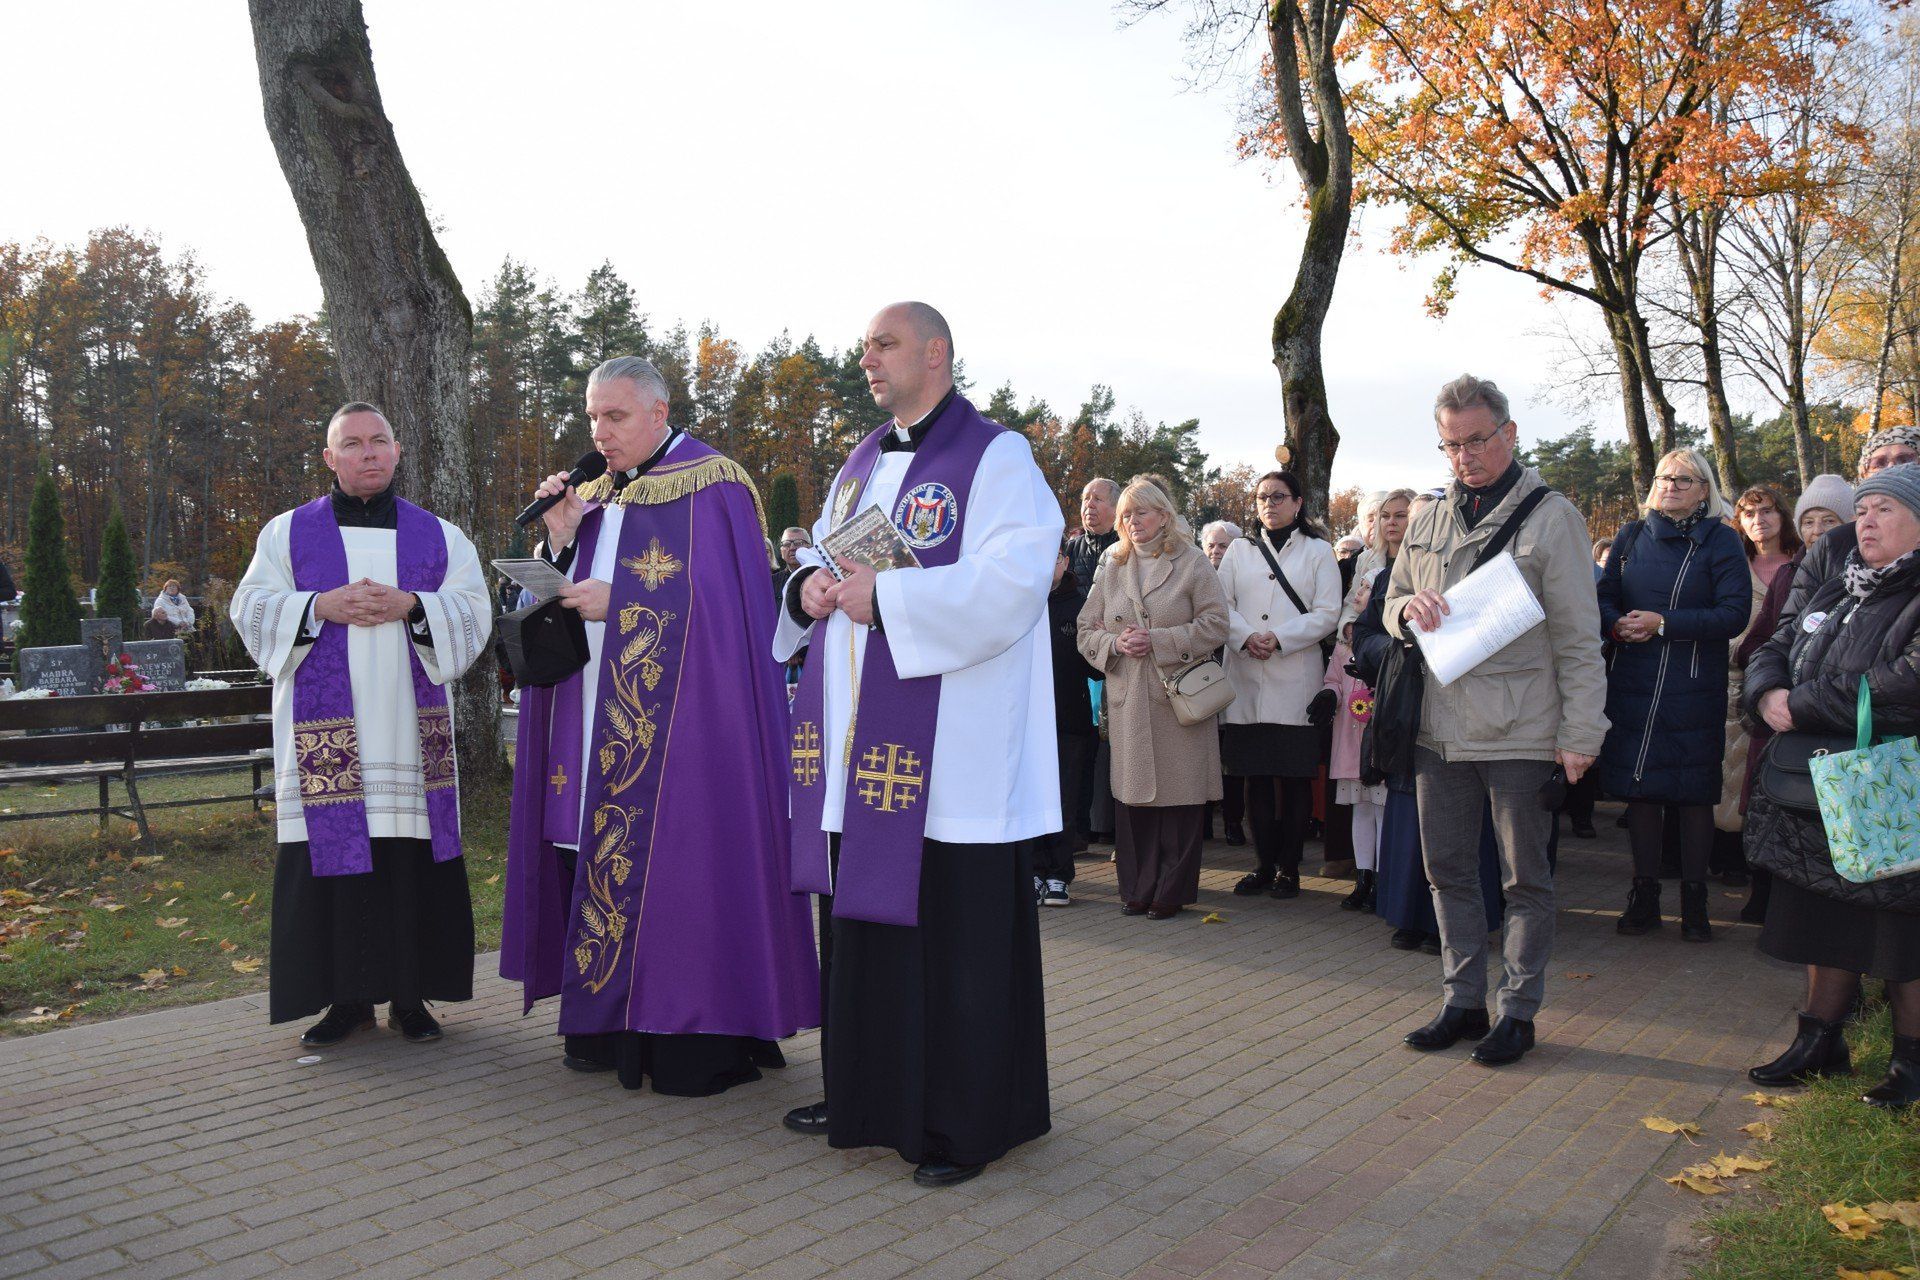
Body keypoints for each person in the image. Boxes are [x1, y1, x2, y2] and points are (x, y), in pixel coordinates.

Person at [773, 301, 1057, 1187]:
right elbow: (823, 561)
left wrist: (889, 601)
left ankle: (962, 1121)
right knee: (861, 932)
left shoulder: (996, 455)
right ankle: (865, 1094)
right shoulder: (860, 461)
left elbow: (1014, 581)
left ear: (935, 353)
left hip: (957, 750)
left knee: (954, 944)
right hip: (863, 746)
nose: (867, 358)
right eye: (866, 346)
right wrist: (811, 591)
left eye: (884, 344)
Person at [500, 356, 818, 1096]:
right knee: (591, 848)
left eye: (614, 416)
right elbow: (580, 584)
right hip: (592, 712)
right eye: (591, 417)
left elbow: (732, 609)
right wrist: (557, 541)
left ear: (658, 410)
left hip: (685, 728)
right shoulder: (596, 493)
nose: (599, 432)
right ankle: (605, 1023)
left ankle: (693, 1030)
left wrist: (629, 601)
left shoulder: (714, 483)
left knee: (687, 868)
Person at [230, 402, 493, 1046]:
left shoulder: (439, 536)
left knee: (406, 860)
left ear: (398, 450)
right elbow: (251, 607)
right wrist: (319, 605)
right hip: (325, 738)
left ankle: (411, 999)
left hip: (408, 728)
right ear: (330, 458)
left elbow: (472, 610)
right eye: (353, 444)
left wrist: (414, 605)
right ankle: (343, 1001)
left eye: (380, 441)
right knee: (335, 863)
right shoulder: (287, 534)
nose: (369, 453)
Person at [1384, 374, 1608, 1067]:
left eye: (1476, 440)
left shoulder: (1553, 518)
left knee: (1523, 880)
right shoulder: (1426, 517)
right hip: (1438, 727)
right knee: (1447, 870)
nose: (1464, 457)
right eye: (1451, 445)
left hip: (1521, 728)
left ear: (1509, 433)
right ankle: (1462, 1001)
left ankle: (1518, 1011)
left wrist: (1581, 734)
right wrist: (1406, 613)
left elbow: (1579, 638)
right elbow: (1389, 602)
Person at [1744, 463, 1920, 1110]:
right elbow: (1777, 640)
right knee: (1823, 918)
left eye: (1883, 511)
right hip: (1821, 791)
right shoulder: (1841, 587)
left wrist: (1806, 701)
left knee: (1898, 932)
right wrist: (1766, 694)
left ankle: (1911, 1063)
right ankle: (1820, 1041)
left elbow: (1906, 681)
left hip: (1892, 795)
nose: (1864, 521)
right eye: (1863, 508)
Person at [1597, 450, 1750, 942]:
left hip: (1692, 684)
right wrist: (1616, 625)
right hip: (1635, 677)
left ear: (1705, 489)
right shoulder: (1631, 536)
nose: (1672, 486)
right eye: (1665, 477)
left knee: (1692, 794)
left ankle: (1694, 902)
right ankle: (1643, 897)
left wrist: (1665, 624)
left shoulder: (1722, 541)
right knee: (1641, 790)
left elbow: (1733, 614)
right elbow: (1603, 597)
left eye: (1685, 479)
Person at [1078, 481, 1229, 918]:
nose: (1132, 522)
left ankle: (1172, 890)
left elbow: (1217, 624)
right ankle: (1137, 887)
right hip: (1129, 698)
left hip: (1177, 698)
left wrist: (1160, 640)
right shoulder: (1112, 565)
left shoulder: (1193, 562)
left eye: (1141, 513)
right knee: (1133, 798)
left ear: (1164, 515)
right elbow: (1086, 630)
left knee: (1179, 799)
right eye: (1126, 515)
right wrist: (1116, 644)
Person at [1733, 474, 1856, 924]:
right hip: (1782, 711)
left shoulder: (1864, 575)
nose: (1819, 530)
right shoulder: (1790, 573)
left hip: (1834, 716)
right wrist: (1768, 683)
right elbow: (1767, 638)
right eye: (1811, 520)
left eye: (1830, 519)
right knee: (1776, 800)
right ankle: (1766, 892)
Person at [1216, 470, 1341, 900]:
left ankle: (1290, 869)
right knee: (1254, 780)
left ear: (1298, 502)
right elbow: (1221, 605)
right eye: (1262, 497)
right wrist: (1247, 636)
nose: (1269, 504)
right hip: (1246, 678)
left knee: (1292, 782)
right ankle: (1262, 865)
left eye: (1278, 496)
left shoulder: (1318, 551)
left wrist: (1281, 638)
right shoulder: (1239, 550)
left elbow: (1329, 612)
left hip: (1294, 681)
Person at [1320, 489, 1414, 913]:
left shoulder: (1422, 563)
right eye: (1384, 516)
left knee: (1390, 799)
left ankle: (1393, 878)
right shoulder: (1367, 563)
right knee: (1359, 796)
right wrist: (1351, 632)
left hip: (1401, 682)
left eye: (1400, 515)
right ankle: (1364, 877)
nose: (1391, 523)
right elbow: (1350, 616)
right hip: (1361, 678)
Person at [1713, 486, 1804, 881]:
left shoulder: (1804, 564)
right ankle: (1730, 857)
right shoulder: (1733, 564)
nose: (1758, 521)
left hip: (1785, 686)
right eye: (1749, 514)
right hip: (1731, 681)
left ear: (1783, 516)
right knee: (1727, 774)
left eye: (1766, 511)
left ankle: (1767, 863)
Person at [1776, 428, 1920, 636]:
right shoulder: (1832, 544)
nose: (1890, 468)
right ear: (1864, 474)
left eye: (1904, 459)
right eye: (1879, 463)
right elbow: (1788, 632)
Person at [1036, 538, 1100, 906]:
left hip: (1069, 720)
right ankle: (1032, 869)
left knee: (1064, 799)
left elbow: (1095, 665)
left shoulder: (1082, 606)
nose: (1045, 567)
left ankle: (1059, 875)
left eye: (1052, 558)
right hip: (1025, 723)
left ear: (1064, 561)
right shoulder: (1018, 604)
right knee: (1030, 797)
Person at [1067, 478, 1121, 845]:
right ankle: (1080, 826)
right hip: (1076, 661)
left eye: (1098, 499)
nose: (1090, 505)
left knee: (1115, 746)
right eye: (1085, 498)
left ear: (1117, 508)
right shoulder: (1069, 549)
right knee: (1081, 746)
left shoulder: (1126, 550)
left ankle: (1113, 827)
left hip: (1115, 656)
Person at [1200, 520, 1247, 846]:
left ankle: (1233, 822)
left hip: (1233, 677)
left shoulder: (1244, 582)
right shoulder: (1194, 577)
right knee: (1200, 752)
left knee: (1232, 758)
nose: (1216, 551)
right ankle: (1201, 824)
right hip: (1197, 680)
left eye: (1224, 546)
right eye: (1212, 545)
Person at [773, 526, 812, 598]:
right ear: (781, 551)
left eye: (798, 543)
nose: (792, 548)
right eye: (786, 544)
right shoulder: (773, 582)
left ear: (809, 547)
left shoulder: (822, 576)